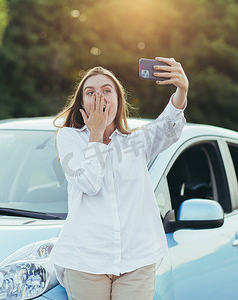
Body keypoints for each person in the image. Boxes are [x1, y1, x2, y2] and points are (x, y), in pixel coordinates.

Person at [51, 57, 188, 300]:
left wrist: (181, 90)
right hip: (85, 262)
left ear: (118, 100)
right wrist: (96, 134)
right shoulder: (69, 138)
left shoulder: (136, 141)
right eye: (90, 92)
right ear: (81, 102)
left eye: (107, 90)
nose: (99, 97)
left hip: (137, 260)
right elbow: (89, 184)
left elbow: (169, 126)